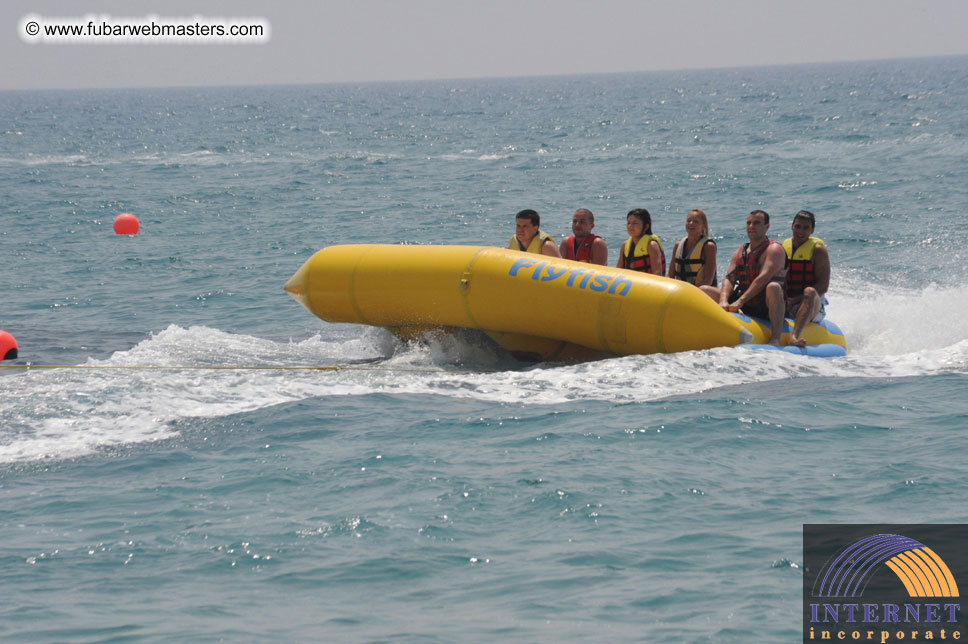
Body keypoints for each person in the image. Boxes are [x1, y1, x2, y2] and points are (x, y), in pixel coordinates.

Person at [716, 209, 786, 345]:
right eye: (749, 223)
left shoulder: (774, 249)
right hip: (746, 304)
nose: (751, 227)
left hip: (765, 305)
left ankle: (776, 338)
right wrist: (723, 300)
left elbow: (763, 278)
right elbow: (729, 279)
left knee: (773, 287)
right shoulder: (740, 251)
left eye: (756, 223)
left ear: (767, 227)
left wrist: (740, 301)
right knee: (705, 290)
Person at [783, 210, 830, 347]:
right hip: (788, 302)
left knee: (809, 291)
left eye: (806, 228)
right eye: (797, 226)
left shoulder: (818, 250)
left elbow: (823, 286)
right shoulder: (783, 247)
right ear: (792, 226)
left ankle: (794, 337)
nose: (800, 231)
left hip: (812, 305)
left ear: (812, 230)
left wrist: (794, 300)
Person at [668, 208, 717, 290]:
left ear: (703, 225)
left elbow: (708, 281)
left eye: (696, 222)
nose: (691, 223)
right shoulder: (678, 245)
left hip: (704, 292)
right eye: (688, 220)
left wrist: (688, 292)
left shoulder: (708, 246)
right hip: (681, 292)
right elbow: (670, 276)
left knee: (704, 288)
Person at [616, 208, 665, 275]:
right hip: (630, 283)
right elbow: (618, 271)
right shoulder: (625, 245)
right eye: (629, 223)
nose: (630, 226)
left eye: (635, 223)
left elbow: (657, 273)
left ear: (646, 227)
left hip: (647, 284)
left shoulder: (651, 245)